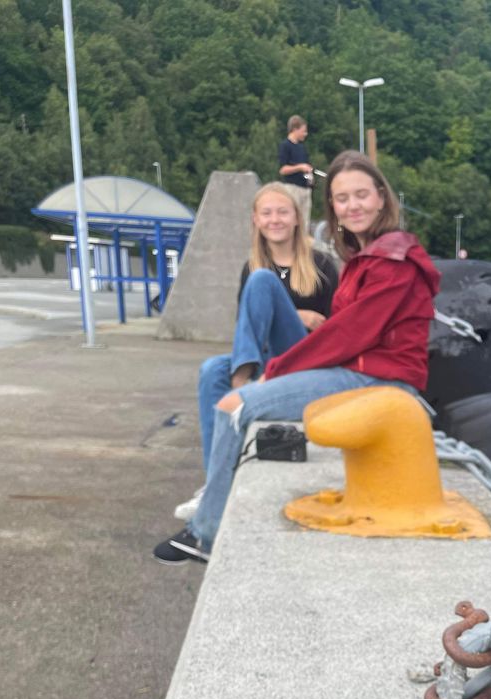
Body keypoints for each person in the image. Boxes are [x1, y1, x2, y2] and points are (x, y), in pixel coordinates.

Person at [154, 152, 440, 565]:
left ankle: (205, 535)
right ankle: (214, 491)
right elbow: (345, 333)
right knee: (216, 375)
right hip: (358, 368)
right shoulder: (369, 256)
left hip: (378, 378)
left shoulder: (392, 262)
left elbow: (349, 333)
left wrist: (276, 371)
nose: (352, 205)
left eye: (361, 195)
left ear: (382, 197)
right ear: (333, 209)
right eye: (342, 199)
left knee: (234, 406)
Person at [172, 182, 338, 523]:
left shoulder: (321, 264)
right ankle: (214, 484)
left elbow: (330, 331)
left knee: (263, 281)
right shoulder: (250, 265)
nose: (274, 219)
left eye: (282, 212)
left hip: (303, 359)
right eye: (267, 213)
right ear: (256, 220)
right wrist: (297, 314)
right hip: (264, 355)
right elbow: (247, 329)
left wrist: (293, 318)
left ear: (297, 218)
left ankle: (241, 381)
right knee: (209, 370)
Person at [277, 115, 314, 232]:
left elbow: (306, 166)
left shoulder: (302, 148)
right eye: (303, 131)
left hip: (305, 188)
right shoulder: (285, 146)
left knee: (305, 222)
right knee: (292, 219)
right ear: (295, 129)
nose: (305, 134)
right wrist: (299, 167)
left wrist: (310, 177)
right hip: (292, 188)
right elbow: (283, 169)